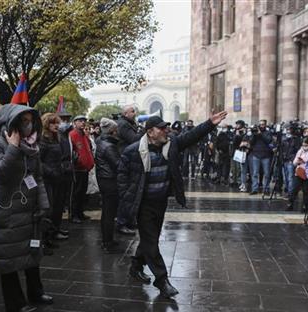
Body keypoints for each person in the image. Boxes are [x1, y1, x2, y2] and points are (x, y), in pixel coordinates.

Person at [118, 112, 227, 297]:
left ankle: (135, 266)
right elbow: (121, 179)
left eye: (166, 127)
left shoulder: (171, 145)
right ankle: (162, 281)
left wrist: (210, 123)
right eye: (161, 128)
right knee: (151, 241)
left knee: (150, 237)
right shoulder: (134, 151)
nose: (166, 130)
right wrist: (128, 201)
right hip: (142, 204)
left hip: (160, 201)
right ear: (150, 132)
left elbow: (191, 136)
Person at [0, 104, 52, 312]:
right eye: (23, 121)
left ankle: (36, 292)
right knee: (9, 259)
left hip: (30, 210)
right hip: (9, 211)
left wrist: (43, 205)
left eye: (30, 121)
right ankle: (15, 303)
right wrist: (13, 148)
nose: (28, 125)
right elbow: (0, 174)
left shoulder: (33, 146)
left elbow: (38, 177)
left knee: (32, 253)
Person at [39, 113, 69, 243]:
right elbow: (38, 161)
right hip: (48, 179)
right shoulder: (42, 139)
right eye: (53, 123)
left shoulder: (57, 137)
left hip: (58, 177)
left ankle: (55, 230)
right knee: (48, 209)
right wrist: (50, 171)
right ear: (46, 124)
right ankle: (46, 237)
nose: (56, 125)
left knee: (58, 206)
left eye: (57, 122)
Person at [95, 118, 123, 253]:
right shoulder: (109, 146)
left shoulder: (101, 141)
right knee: (109, 213)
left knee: (107, 212)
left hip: (105, 179)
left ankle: (108, 239)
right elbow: (117, 165)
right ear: (112, 130)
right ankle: (107, 242)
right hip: (109, 180)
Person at [116, 105, 145, 235]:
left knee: (131, 194)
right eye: (132, 111)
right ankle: (122, 222)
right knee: (126, 195)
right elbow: (133, 140)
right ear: (125, 113)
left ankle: (129, 220)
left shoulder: (128, 123)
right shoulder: (123, 125)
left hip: (130, 160)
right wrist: (143, 131)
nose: (135, 113)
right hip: (127, 161)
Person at [69, 115, 95, 223]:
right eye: (80, 121)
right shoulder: (72, 135)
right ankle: (74, 215)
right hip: (77, 170)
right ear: (75, 123)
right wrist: (78, 160)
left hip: (85, 169)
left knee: (82, 193)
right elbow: (72, 151)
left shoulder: (84, 134)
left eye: (84, 121)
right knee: (76, 193)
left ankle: (80, 213)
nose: (83, 123)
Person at [288, 137, 308, 210]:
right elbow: (295, 161)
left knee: (306, 190)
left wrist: (307, 161)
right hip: (299, 171)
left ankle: (306, 205)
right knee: (294, 188)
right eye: (303, 145)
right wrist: (297, 161)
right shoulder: (300, 151)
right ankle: (290, 203)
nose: (304, 147)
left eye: (306, 145)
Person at [249, 120, 273, 195]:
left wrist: (261, 135)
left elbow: (268, 141)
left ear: (265, 125)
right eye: (260, 124)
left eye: (263, 125)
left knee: (266, 173)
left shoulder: (268, 133)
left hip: (266, 155)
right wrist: (254, 134)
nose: (261, 126)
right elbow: (251, 142)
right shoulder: (255, 133)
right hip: (256, 155)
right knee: (255, 173)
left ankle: (266, 188)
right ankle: (254, 189)